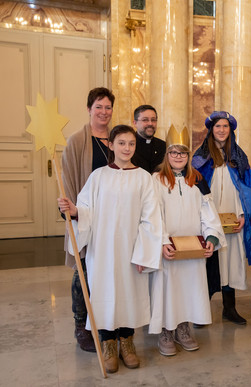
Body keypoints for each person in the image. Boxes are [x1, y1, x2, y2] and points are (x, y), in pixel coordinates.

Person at [57, 125, 162, 373]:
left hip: (131, 250)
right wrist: (74, 211)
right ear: (111, 146)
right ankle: (108, 343)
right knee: (104, 295)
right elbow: (86, 210)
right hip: (102, 250)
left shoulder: (144, 178)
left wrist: (144, 253)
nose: (127, 148)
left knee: (128, 295)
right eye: (121, 143)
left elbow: (152, 218)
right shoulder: (98, 177)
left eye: (131, 143)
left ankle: (127, 342)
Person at [149, 126, 226, 356]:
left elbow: (208, 211)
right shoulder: (157, 180)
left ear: (188, 156)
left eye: (182, 153)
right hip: (170, 249)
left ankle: (183, 329)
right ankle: (165, 331)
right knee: (167, 290)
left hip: (192, 249)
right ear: (167, 155)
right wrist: (162, 242)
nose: (178, 157)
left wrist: (211, 236)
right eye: (173, 152)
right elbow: (152, 214)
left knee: (189, 289)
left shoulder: (197, 179)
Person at [61, 87, 115, 352]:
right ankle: (81, 325)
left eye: (107, 107)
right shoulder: (77, 141)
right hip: (84, 215)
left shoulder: (117, 139)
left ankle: (104, 321)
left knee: (104, 269)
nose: (103, 112)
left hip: (111, 217)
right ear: (89, 109)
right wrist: (71, 211)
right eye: (98, 107)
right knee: (82, 269)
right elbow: (68, 178)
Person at [192, 111, 251, 325]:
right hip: (209, 220)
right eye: (218, 126)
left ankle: (229, 308)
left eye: (225, 127)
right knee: (209, 262)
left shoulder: (238, 157)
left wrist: (242, 215)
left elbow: (245, 189)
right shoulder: (201, 158)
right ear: (211, 130)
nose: (221, 130)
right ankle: (201, 311)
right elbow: (194, 190)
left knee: (228, 262)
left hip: (231, 219)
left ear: (230, 131)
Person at [132, 104, 166, 173]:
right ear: (135, 123)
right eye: (145, 120)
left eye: (153, 120)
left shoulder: (163, 146)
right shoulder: (129, 146)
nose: (150, 123)